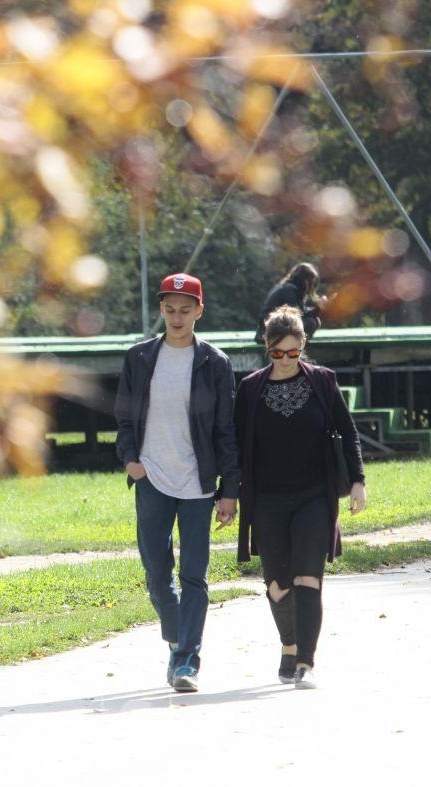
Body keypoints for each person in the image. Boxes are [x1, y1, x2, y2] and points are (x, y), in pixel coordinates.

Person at [114, 272, 240, 693]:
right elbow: (125, 416)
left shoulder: (215, 363)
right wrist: (132, 461)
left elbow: (226, 430)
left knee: (193, 574)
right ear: (161, 311)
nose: (177, 317)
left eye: (185, 310)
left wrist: (229, 490)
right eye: (169, 309)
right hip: (151, 476)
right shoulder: (140, 358)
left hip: (199, 483)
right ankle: (176, 632)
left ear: (199, 311)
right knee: (155, 569)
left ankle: (186, 659)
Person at [231, 306, 367, 689]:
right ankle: (288, 645)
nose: (287, 360)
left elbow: (348, 431)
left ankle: (306, 661)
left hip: (314, 497)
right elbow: (236, 446)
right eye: (278, 353)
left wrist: (358, 481)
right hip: (268, 500)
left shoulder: (323, 382)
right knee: (278, 585)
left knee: (308, 578)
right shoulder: (250, 389)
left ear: (304, 345)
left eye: (294, 352)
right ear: (266, 347)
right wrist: (227, 494)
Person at [255, 263, 327, 342]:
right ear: (303, 280)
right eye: (310, 281)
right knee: (311, 322)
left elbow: (300, 311)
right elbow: (296, 316)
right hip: (268, 332)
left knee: (314, 320)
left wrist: (316, 309)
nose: (311, 286)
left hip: (271, 329)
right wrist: (317, 310)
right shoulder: (289, 290)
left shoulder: (289, 288)